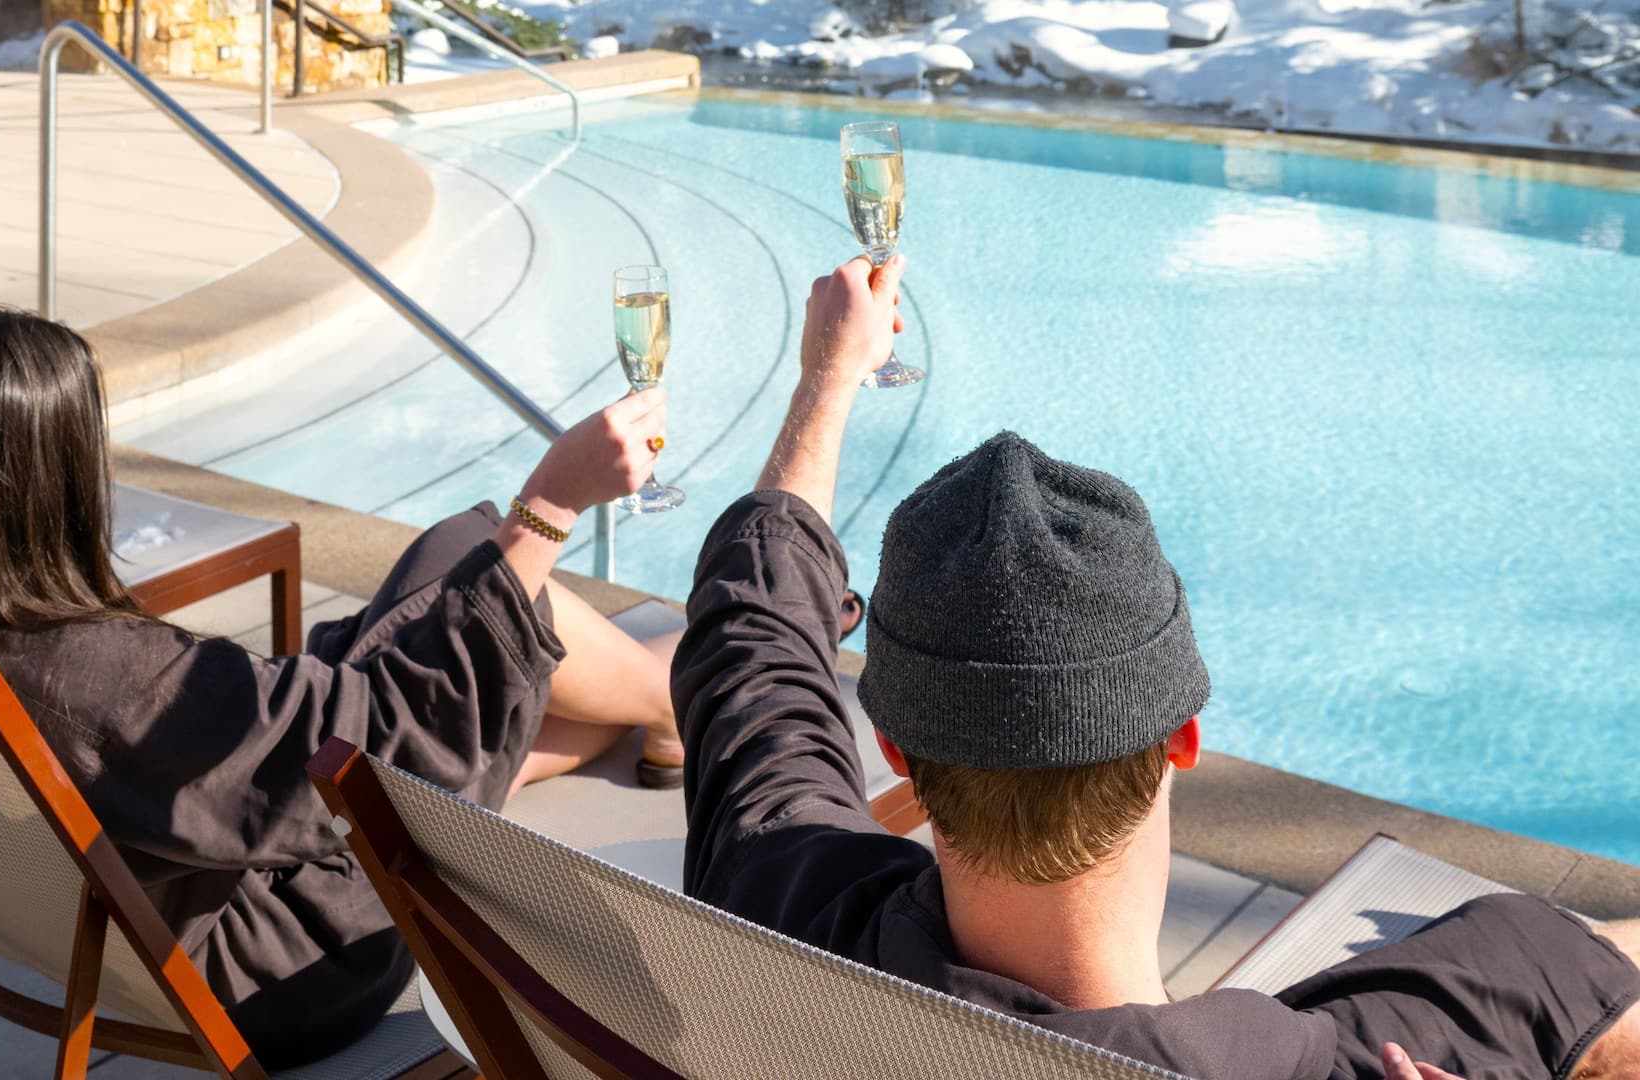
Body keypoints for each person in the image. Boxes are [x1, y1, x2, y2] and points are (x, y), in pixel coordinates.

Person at [670, 255, 1640, 1080]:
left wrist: (827, 379)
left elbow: (753, 646)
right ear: (1183, 737)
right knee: (1531, 957)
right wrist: (829, 378)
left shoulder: (779, 907)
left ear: (892, 743)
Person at [0, 308, 685, 1066]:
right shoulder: (95, 676)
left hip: (144, 927)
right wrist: (550, 504)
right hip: (284, 967)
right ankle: (672, 698)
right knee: (477, 551)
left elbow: (299, 729)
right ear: (56, 478)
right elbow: (390, 740)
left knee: (441, 627)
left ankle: (630, 707)